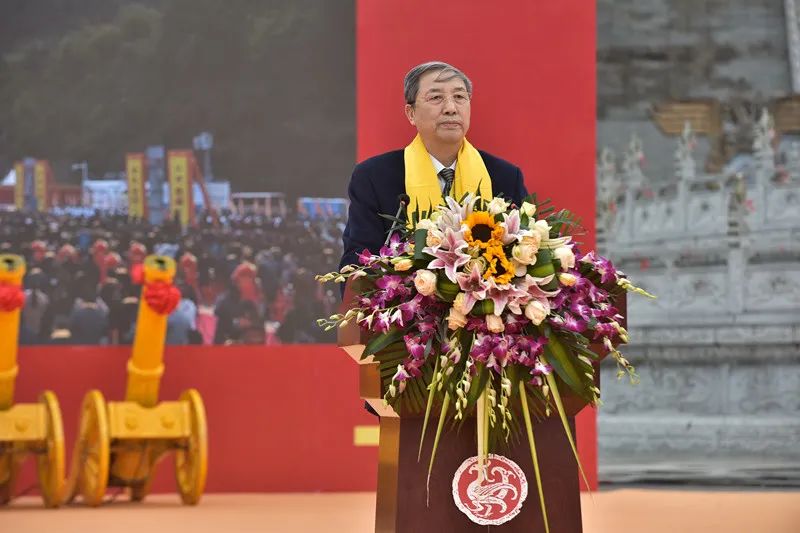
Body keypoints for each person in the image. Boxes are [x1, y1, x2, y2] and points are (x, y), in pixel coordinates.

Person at [340, 61, 529, 270]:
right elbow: (357, 263)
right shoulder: (374, 177)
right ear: (410, 113)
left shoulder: (505, 176)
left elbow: (528, 255)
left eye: (459, 97)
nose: (450, 108)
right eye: (436, 98)